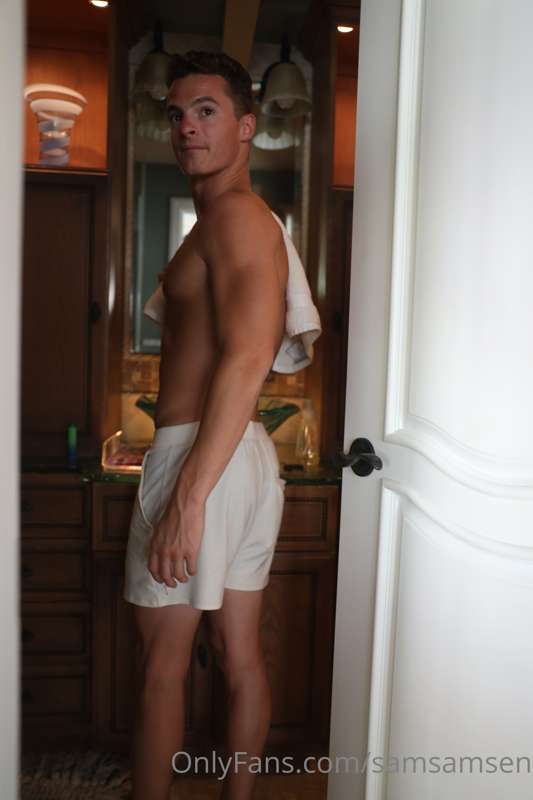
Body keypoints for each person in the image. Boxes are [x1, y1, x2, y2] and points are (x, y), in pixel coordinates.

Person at [123, 50, 290, 800]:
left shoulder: (235, 217)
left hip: (202, 456)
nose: (186, 127)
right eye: (177, 113)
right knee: (239, 654)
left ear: (246, 126)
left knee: (161, 666)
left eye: (207, 111)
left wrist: (188, 499)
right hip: (241, 455)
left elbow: (251, 352)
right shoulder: (229, 221)